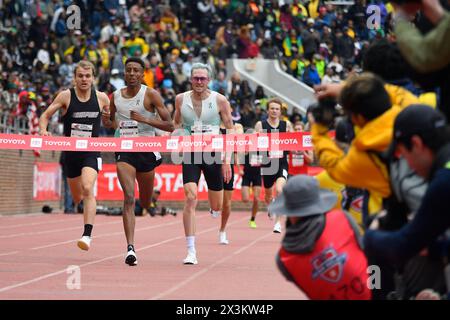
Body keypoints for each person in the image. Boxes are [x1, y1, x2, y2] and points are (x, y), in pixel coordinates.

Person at [364, 104, 450, 298]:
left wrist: (369, 236)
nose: (408, 165)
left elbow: (402, 246)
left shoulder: (443, 180)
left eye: (404, 155)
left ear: (417, 144)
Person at [102, 57, 174, 266]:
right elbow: (111, 123)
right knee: (128, 197)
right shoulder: (114, 96)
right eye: (128, 70)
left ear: (143, 74)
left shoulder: (151, 95)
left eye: (136, 71)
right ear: (124, 73)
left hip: (147, 151)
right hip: (124, 148)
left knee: (144, 202)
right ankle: (130, 248)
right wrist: (107, 121)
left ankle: (147, 203)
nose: (132, 74)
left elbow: (170, 125)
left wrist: (145, 120)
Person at [39, 60, 110, 251]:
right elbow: (45, 115)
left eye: (88, 76)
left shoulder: (102, 98)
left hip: (91, 151)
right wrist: (43, 130)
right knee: (78, 197)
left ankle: (87, 235)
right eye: (80, 76)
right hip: (70, 154)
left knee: (88, 188)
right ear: (74, 78)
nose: (84, 79)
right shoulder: (65, 96)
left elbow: (113, 121)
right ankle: (84, 207)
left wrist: (109, 119)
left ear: (93, 78)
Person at [270, 175, 372, 300]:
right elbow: (370, 257)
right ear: (318, 201)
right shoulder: (342, 218)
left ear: (287, 210)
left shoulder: (283, 259)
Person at [173, 63, 234, 265]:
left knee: (216, 205)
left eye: (203, 78)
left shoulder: (220, 100)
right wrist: (178, 138)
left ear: (209, 80)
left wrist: (227, 159)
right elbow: (176, 124)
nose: (199, 82)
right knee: (190, 197)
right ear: (191, 79)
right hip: (191, 153)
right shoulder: (180, 99)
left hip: (213, 154)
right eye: (196, 78)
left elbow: (231, 130)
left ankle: (214, 209)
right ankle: (191, 250)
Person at [255, 98, 293, 234]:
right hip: (267, 163)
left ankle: (277, 223)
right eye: (272, 108)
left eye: (277, 109)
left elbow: (294, 141)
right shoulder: (261, 125)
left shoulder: (286, 125)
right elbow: (255, 143)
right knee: (268, 195)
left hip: (282, 162)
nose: (274, 111)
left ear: (280, 111)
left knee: (280, 190)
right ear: (268, 110)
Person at [217, 121, 244, 244]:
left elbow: (239, 145)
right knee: (217, 201)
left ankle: (222, 230)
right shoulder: (212, 125)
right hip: (212, 164)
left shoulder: (237, 126)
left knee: (227, 203)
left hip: (228, 166)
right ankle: (214, 206)